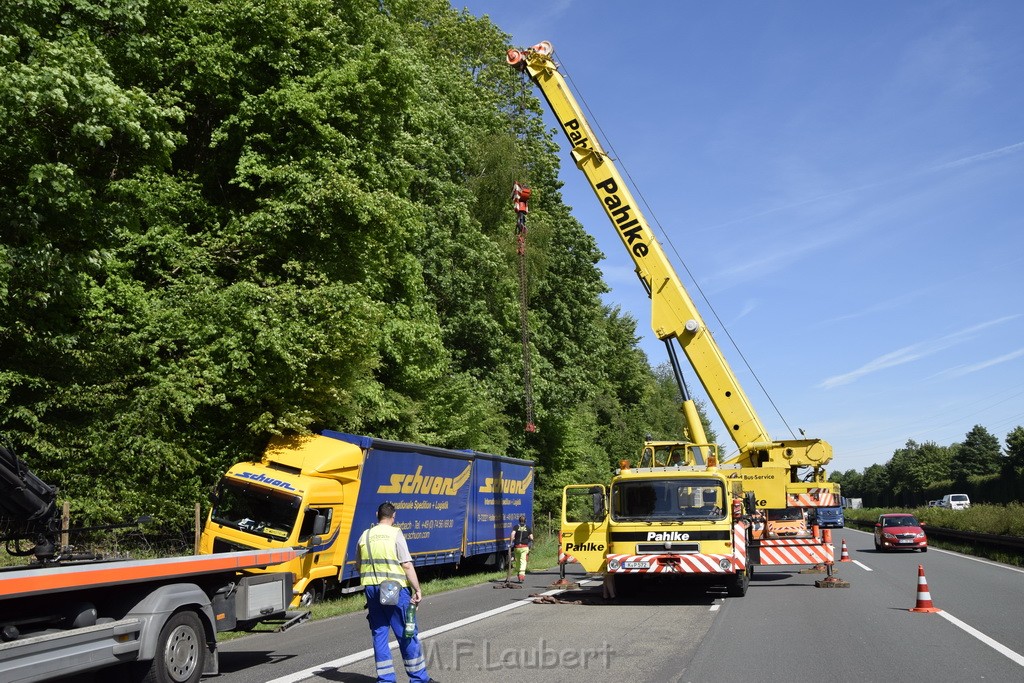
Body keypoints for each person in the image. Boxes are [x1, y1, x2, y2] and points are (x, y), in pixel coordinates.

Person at [357, 502, 438, 683]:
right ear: (394, 516)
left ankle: (385, 679)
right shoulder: (395, 533)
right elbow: (406, 564)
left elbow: (358, 564)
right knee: (406, 632)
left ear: (377, 514)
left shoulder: (365, 535)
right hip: (392, 588)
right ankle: (419, 678)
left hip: (371, 588)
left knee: (379, 633)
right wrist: (417, 589)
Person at [509, 515, 533, 583]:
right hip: (524, 547)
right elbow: (531, 538)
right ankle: (521, 575)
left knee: (517, 561)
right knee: (523, 561)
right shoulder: (527, 528)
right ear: (525, 521)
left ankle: (518, 572)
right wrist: (529, 537)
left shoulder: (516, 527)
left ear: (519, 521)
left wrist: (511, 542)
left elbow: (512, 534)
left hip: (517, 547)